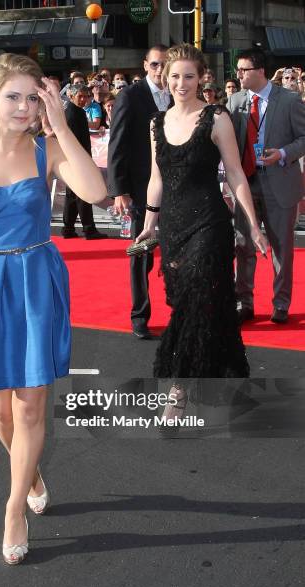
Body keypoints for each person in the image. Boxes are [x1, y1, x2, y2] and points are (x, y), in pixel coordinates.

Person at [0, 53, 106, 565]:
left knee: (31, 403)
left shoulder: (48, 151)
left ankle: (13, 507)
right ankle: (30, 472)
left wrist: (60, 123)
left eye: (32, 97)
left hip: (37, 280)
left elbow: (96, 192)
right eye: (12, 96)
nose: (23, 106)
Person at [135, 43, 267, 403]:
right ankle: (226, 375)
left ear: (200, 78)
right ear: (165, 78)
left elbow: (237, 174)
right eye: (175, 76)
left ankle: (177, 388)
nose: (181, 83)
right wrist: (150, 224)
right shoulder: (156, 123)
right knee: (203, 303)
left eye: (188, 76)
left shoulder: (216, 117)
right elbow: (156, 179)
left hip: (210, 224)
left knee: (196, 298)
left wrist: (253, 226)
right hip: (174, 228)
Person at [227, 49, 305, 324]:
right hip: (244, 183)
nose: (239, 74)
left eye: (244, 69)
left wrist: (283, 153)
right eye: (238, 69)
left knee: (281, 248)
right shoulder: (234, 101)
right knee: (243, 244)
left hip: (280, 182)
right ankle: (243, 302)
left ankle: (281, 304)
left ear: (260, 71)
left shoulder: (290, 101)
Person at [107, 44, 170, 340]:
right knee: (142, 255)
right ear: (145, 65)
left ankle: (180, 309)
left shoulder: (178, 95)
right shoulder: (130, 97)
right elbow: (116, 145)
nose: (160, 71)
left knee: (175, 252)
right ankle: (140, 315)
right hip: (141, 191)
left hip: (175, 187)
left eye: (165, 65)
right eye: (156, 64)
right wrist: (120, 191)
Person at [62, 83, 107, 239]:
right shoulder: (75, 113)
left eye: (86, 96)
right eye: (80, 96)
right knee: (83, 194)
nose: (83, 99)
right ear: (71, 96)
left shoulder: (71, 111)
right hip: (77, 159)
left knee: (72, 195)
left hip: (73, 158)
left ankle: (68, 228)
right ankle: (89, 229)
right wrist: (84, 161)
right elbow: (76, 141)